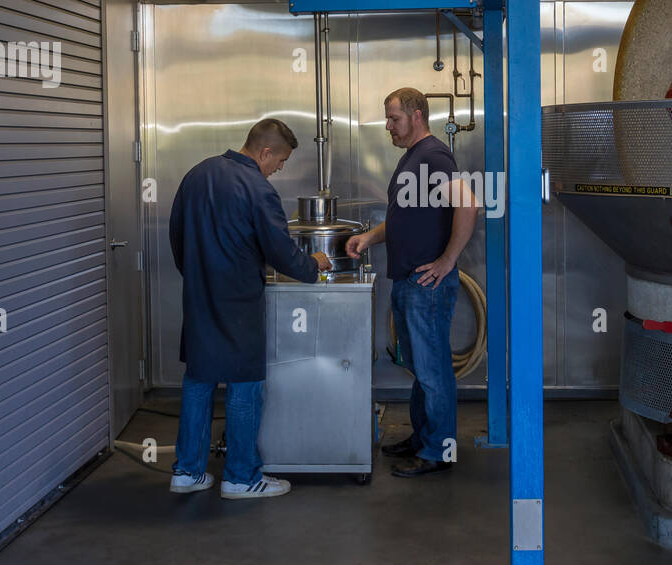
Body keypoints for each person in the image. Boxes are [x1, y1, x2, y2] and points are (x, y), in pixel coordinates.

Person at [168, 118, 331, 499]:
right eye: (281, 161)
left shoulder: (196, 174)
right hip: (239, 302)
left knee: (199, 379)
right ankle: (241, 477)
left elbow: (177, 235)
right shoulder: (258, 188)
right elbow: (279, 250)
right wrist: (314, 266)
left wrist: (195, 275)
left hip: (199, 295)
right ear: (266, 151)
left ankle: (187, 471)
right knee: (245, 383)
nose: (279, 169)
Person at [346, 88, 478, 477]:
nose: (389, 126)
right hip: (408, 281)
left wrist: (447, 260)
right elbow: (406, 216)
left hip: (426, 285)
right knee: (421, 367)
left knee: (433, 369)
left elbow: (468, 204)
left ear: (417, 115)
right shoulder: (412, 159)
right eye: (388, 119)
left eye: (394, 119)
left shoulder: (434, 156)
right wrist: (371, 237)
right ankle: (424, 438)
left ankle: (439, 450)